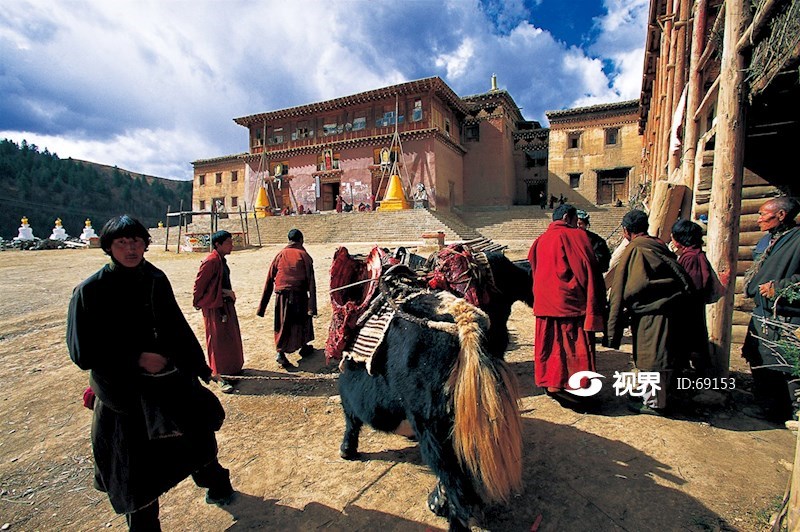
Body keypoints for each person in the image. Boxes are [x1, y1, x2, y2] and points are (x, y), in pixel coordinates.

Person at [67, 215, 234, 531]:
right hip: (123, 395)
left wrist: (199, 365)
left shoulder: (155, 278)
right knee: (135, 472)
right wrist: (135, 359)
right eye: (122, 243)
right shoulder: (90, 291)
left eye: (136, 242)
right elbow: (82, 353)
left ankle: (218, 484)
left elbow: (176, 327)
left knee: (196, 440)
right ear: (109, 247)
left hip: (169, 382)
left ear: (145, 244)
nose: (130, 249)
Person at [607, 210, 694, 415]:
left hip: (652, 313)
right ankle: (652, 394)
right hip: (668, 310)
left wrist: (617, 315)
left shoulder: (636, 250)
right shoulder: (658, 244)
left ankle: (654, 403)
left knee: (652, 359)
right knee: (657, 356)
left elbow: (633, 286)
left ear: (626, 231)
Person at [527, 204, 606, 411]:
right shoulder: (577, 236)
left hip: (545, 305)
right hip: (571, 305)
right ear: (567, 217)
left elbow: (534, 269)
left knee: (551, 349)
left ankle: (552, 385)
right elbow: (588, 269)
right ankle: (578, 389)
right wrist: (594, 301)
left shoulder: (539, 241)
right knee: (573, 350)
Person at [742, 197, 800, 423]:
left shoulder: (796, 240)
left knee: (786, 364)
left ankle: (792, 411)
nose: (758, 220)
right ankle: (769, 408)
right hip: (763, 312)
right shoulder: (772, 239)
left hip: (786, 315)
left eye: (763, 215)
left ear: (781, 215)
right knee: (759, 357)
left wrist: (780, 287)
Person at [193, 230, 245, 393]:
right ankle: (219, 376)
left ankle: (232, 370)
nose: (231, 245)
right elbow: (199, 285)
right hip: (215, 306)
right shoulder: (211, 261)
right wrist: (222, 293)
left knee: (229, 338)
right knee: (216, 342)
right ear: (218, 244)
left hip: (225, 304)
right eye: (228, 242)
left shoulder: (221, 260)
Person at [257, 228, 318, 367]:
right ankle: (280, 353)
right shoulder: (304, 255)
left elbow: (269, 279)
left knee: (283, 323)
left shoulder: (280, 255)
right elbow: (311, 282)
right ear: (301, 240)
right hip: (299, 295)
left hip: (281, 296)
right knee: (302, 321)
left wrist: (262, 308)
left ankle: (302, 347)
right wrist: (312, 307)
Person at [670, 219, 719, 376]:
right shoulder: (691, 255)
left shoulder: (691, 258)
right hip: (691, 312)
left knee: (690, 350)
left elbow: (692, 287)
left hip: (689, 314)